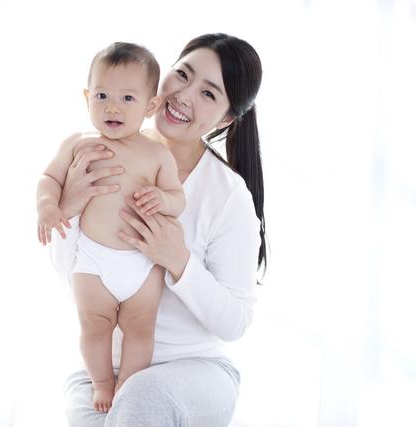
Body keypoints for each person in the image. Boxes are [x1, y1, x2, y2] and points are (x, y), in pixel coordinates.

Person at [50, 33, 266, 427]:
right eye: (182, 75)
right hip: (105, 370)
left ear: (225, 120)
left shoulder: (227, 195)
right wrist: (69, 208)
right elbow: (72, 272)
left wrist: (178, 261)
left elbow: (235, 322)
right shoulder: (99, 149)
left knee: (141, 397)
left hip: (194, 369)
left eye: (208, 93)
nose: (184, 95)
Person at [36, 42, 186, 412]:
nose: (112, 107)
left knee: (141, 329)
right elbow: (49, 178)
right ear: (87, 97)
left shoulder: (157, 154)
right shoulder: (78, 144)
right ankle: (102, 383)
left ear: (150, 106)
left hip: (141, 263)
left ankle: (127, 385)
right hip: (93, 260)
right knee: (93, 326)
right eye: (102, 95)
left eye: (127, 98)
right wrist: (47, 206)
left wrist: (163, 200)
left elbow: (177, 198)